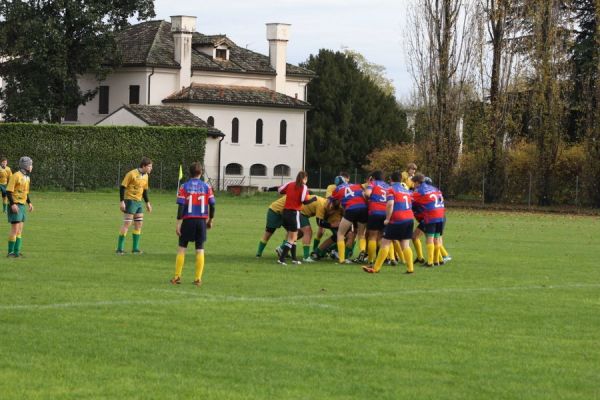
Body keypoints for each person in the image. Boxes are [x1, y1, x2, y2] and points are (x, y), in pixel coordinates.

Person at [170, 162, 215, 286]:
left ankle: (177, 276)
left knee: (182, 249)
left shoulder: (184, 187)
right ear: (201, 172)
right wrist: (210, 220)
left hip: (188, 220)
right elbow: (212, 204)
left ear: (190, 173)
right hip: (201, 221)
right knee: (200, 249)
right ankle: (198, 278)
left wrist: (178, 223)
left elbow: (181, 206)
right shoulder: (207, 187)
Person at [363, 171, 415, 274]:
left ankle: (375, 268)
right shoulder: (405, 190)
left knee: (385, 242)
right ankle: (410, 268)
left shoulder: (391, 189)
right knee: (405, 244)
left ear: (391, 179)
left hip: (397, 219)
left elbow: (390, 204)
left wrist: (387, 218)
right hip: (409, 218)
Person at [276, 171, 315, 265]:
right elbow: (304, 201)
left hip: (285, 213)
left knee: (294, 236)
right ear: (305, 178)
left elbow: (280, 190)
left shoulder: (290, 184)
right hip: (294, 213)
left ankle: (294, 259)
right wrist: (313, 199)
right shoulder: (304, 187)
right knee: (292, 237)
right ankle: (281, 259)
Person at [116, 157, 153, 254]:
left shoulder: (146, 176)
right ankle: (119, 249)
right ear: (144, 166)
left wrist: (148, 203)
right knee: (127, 224)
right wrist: (122, 201)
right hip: (130, 201)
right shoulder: (131, 174)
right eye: (149, 166)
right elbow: (122, 187)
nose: (151, 168)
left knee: (138, 224)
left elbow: (144, 191)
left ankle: (135, 249)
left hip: (138, 202)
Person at [329, 178, 368, 264]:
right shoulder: (356, 185)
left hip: (351, 208)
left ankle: (341, 259)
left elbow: (331, 204)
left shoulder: (336, 189)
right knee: (361, 234)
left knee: (340, 234)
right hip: (364, 208)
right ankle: (362, 251)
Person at [411, 173, 445, 267]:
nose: (413, 185)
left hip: (431, 215)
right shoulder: (435, 189)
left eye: (414, 183)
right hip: (441, 215)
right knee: (436, 238)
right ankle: (437, 261)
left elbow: (410, 199)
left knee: (429, 238)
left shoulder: (420, 191)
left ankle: (430, 262)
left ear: (417, 182)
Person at [6, 157, 33, 258]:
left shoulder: (27, 178)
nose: (32, 167)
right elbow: (8, 191)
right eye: (31, 165)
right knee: (15, 229)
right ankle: (10, 252)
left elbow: (25, 192)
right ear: (26, 166)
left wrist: (29, 203)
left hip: (22, 206)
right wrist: (12, 204)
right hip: (15, 205)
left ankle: (17, 252)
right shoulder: (16, 176)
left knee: (20, 230)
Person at [363, 171, 389, 264]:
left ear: (373, 178)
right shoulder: (388, 186)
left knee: (372, 236)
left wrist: (368, 199)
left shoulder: (372, 183)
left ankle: (370, 260)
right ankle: (382, 259)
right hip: (386, 213)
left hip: (374, 212)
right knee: (382, 236)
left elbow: (367, 193)